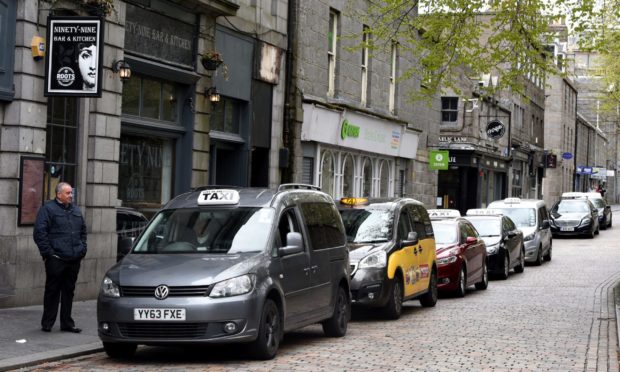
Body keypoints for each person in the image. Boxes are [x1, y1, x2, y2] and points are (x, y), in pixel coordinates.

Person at [33, 182, 87, 333]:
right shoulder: (48, 209)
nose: (71, 196)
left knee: (69, 291)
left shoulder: (76, 210)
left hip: (74, 258)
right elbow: (39, 233)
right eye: (68, 193)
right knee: (52, 291)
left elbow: (83, 231)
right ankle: (47, 323)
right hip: (56, 258)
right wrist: (48, 254)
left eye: (71, 193)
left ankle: (67, 323)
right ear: (58, 194)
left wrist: (82, 249)